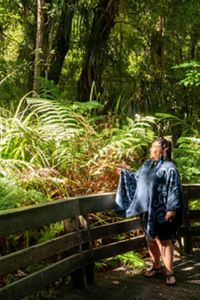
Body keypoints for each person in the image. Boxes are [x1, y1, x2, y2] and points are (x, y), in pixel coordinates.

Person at [115, 137, 183, 286]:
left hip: (162, 210)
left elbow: (174, 188)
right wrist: (124, 173)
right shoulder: (146, 164)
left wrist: (172, 208)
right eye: (151, 147)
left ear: (164, 150)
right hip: (147, 210)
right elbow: (136, 179)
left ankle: (169, 272)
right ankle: (156, 267)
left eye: (154, 147)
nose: (151, 149)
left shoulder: (170, 168)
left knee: (164, 240)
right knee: (150, 239)